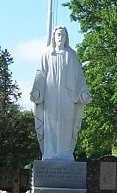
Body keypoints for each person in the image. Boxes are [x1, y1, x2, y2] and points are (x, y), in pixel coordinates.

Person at [29, 26, 91, 160]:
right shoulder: (47, 54)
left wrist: (83, 91)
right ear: (54, 37)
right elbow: (41, 73)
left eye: (63, 35)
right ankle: (50, 153)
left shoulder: (72, 55)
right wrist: (37, 90)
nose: (60, 38)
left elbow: (79, 76)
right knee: (50, 123)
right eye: (58, 35)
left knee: (67, 122)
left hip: (68, 96)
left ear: (66, 37)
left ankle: (65, 152)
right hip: (50, 94)